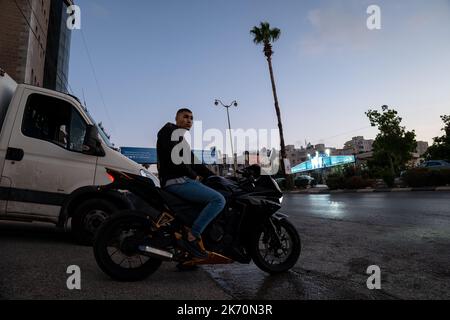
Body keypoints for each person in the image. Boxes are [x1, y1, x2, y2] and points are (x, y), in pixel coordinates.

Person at [157, 108, 226, 258]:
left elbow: (195, 162)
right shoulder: (169, 130)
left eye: (191, 118)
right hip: (176, 181)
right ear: (176, 118)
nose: (189, 120)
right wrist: (193, 176)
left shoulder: (180, 139)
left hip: (178, 180)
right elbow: (175, 160)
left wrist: (217, 178)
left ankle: (187, 257)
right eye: (185, 117)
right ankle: (192, 237)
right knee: (218, 199)